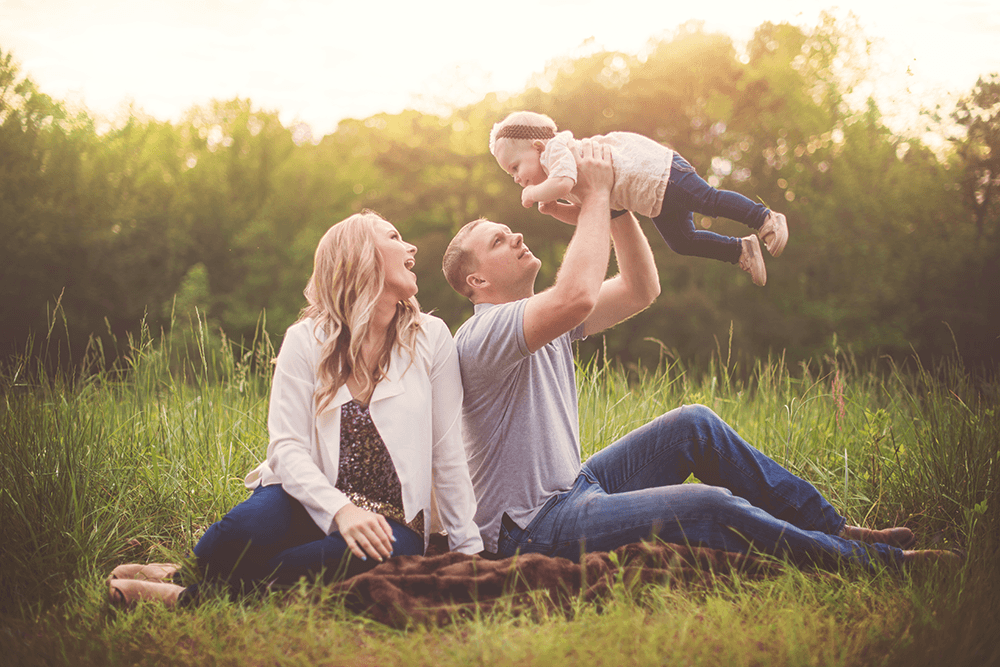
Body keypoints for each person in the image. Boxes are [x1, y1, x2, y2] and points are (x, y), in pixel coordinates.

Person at [442, 139, 957, 572]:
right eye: (498, 240)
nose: (517, 234)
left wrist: (617, 208)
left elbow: (642, 289)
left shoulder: (539, 321)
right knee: (706, 507)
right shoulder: (485, 332)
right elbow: (576, 294)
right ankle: (878, 566)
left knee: (694, 424)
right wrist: (596, 195)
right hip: (532, 529)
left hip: (574, 488)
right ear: (477, 280)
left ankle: (836, 528)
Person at [109, 211, 483, 606]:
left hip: (393, 520)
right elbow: (286, 448)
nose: (412, 248)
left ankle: (182, 597)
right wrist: (341, 510)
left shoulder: (432, 336)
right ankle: (188, 573)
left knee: (315, 565)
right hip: (307, 496)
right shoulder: (305, 340)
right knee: (244, 531)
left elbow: (447, 452)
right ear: (360, 256)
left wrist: (469, 551)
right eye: (394, 237)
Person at [488, 110, 788, 286]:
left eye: (515, 167)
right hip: (653, 200)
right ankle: (739, 251)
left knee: (707, 199)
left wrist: (533, 193)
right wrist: (555, 211)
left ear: (537, 146)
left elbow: (562, 182)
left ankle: (764, 218)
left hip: (660, 173)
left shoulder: (556, 152)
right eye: (510, 175)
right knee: (682, 242)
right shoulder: (578, 181)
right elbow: (591, 217)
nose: (516, 178)